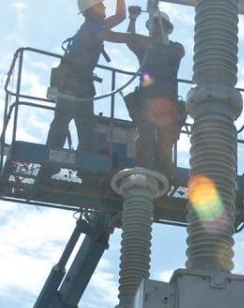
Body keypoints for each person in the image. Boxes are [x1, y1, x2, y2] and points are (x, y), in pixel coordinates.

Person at [45, 0, 127, 156]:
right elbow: (118, 36)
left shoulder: (93, 26)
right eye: (101, 5)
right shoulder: (92, 28)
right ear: (92, 10)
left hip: (80, 84)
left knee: (78, 126)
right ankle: (60, 158)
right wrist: (142, 40)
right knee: (74, 126)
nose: (104, 7)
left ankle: (58, 158)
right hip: (74, 84)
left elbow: (120, 16)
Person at [121, 7, 186, 176]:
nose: (157, 27)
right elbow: (130, 40)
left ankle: (165, 175)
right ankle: (141, 172)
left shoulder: (174, 47)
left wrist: (157, 44)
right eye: (154, 24)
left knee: (165, 141)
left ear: (167, 28)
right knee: (146, 138)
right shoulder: (145, 48)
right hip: (146, 103)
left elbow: (180, 52)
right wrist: (133, 19)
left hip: (167, 105)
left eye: (161, 24)